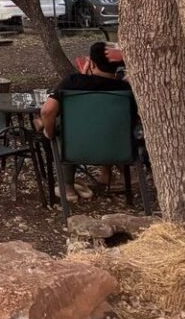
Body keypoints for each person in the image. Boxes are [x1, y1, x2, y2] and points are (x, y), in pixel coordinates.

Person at [39, 41, 134, 203]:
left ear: (92, 62)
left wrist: (50, 131)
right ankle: (119, 176)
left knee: (61, 128)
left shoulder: (72, 84)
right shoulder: (126, 89)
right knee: (107, 125)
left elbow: (47, 110)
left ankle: (67, 186)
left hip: (76, 148)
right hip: (118, 148)